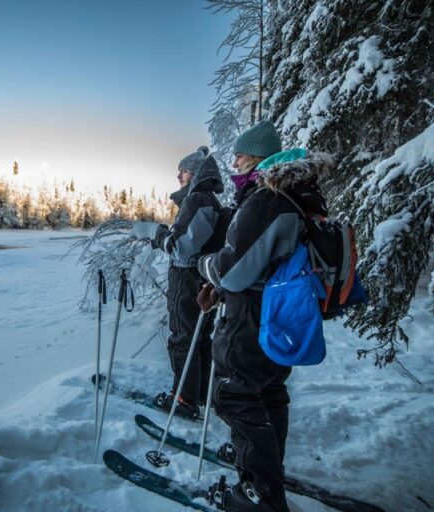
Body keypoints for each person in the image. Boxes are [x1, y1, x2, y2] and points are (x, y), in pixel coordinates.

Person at [197, 122, 333, 512]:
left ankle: (259, 494)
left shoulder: (268, 197)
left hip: (253, 317)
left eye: (240, 154)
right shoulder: (293, 194)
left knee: (234, 394)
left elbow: (234, 268)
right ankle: (265, 467)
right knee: (267, 390)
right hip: (278, 312)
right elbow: (265, 259)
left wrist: (208, 267)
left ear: (258, 157)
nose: (234, 160)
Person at [132, 146, 224, 420]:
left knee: (183, 338)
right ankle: (201, 396)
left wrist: (155, 233)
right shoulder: (205, 200)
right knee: (198, 339)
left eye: (182, 171)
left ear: (195, 172)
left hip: (188, 279)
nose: (178, 177)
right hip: (202, 281)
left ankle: (184, 400)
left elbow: (181, 247)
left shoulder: (198, 200)